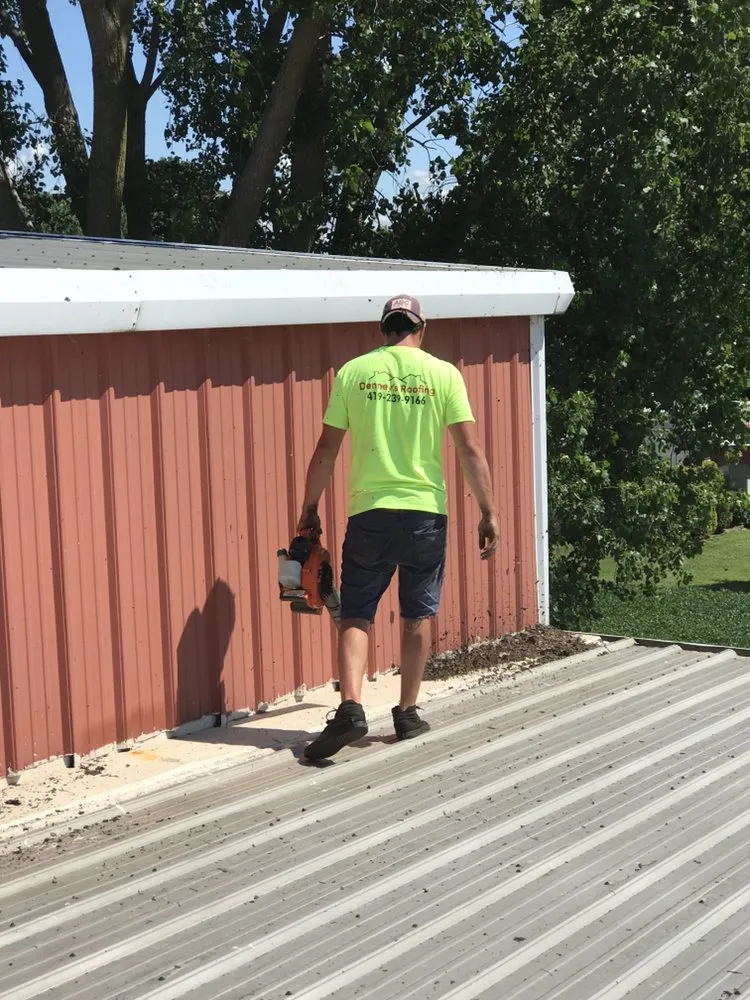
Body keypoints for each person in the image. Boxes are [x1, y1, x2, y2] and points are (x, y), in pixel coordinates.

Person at [298, 294, 499, 761]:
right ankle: (407, 713)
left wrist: (309, 508)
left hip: (370, 512)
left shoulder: (354, 372)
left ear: (383, 329)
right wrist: (488, 511)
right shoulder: (444, 374)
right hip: (426, 514)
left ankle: (351, 707)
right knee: (418, 612)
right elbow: (470, 450)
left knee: (357, 611)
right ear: (420, 329)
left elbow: (325, 448)